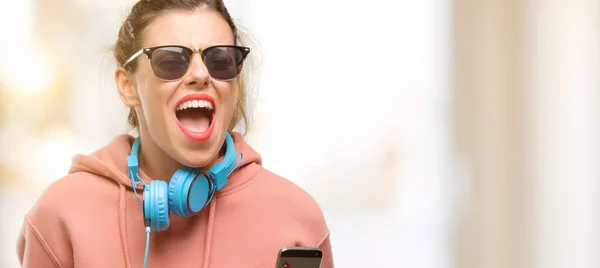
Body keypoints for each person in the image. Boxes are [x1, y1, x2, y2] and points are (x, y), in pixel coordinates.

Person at [15, 0, 334, 267]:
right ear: (128, 87)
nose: (200, 74)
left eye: (220, 60)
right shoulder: (61, 213)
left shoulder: (296, 216)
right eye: (171, 60)